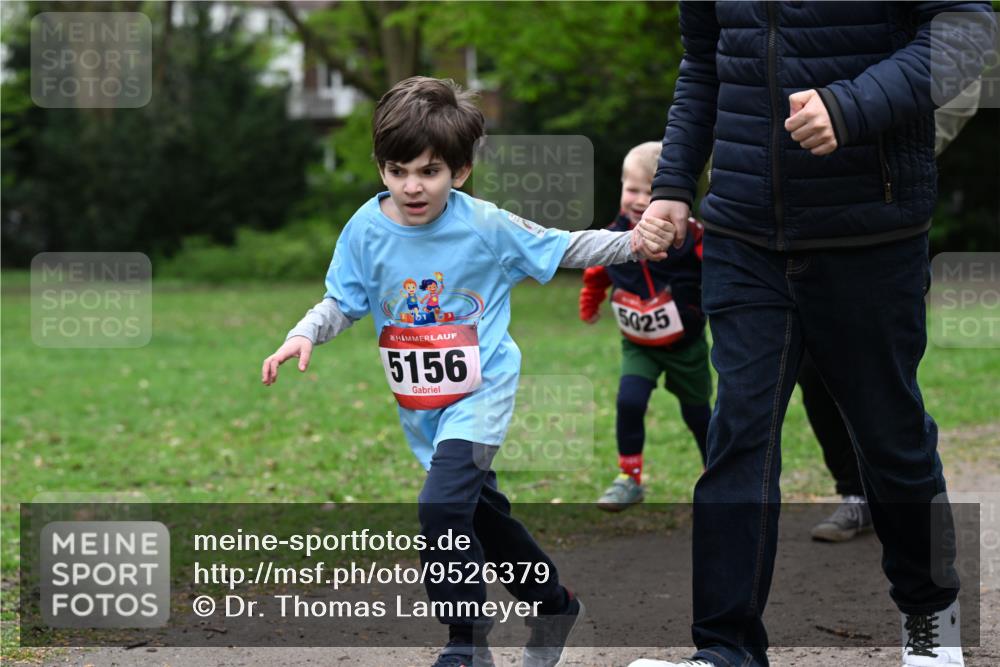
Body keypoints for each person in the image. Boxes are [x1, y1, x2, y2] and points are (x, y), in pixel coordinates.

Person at [625, 3, 995, 667]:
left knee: (890, 437)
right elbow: (705, 62)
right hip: (743, 232)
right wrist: (674, 181)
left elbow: (969, 32)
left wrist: (853, 105)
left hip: (869, 230)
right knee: (738, 435)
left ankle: (930, 612)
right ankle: (725, 647)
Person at [261, 76, 677, 667]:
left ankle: (466, 643)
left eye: (429, 171)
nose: (412, 185)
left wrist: (634, 243)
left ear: (458, 172)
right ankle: (554, 604)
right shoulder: (364, 229)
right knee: (482, 514)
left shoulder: (484, 225)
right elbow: (342, 300)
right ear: (381, 167)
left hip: (481, 395)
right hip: (422, 405)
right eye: (398, 170)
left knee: (439, 509)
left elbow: (563, 247)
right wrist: (302, 334)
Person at [806, 78, 984, 543]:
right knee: (812, 369)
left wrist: (896, 153)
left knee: (881, 380)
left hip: (879, 221)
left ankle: (916, 523)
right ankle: (855, 496)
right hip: (794, 219)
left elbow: (962, 76)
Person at [579, 141, 711, 511]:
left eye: (650, 191)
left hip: (686, 345)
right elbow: (596, 274)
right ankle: (629, 478)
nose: (639, 200)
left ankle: (714, 469)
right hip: (638, 344)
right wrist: (590, 305)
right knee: (629, 401)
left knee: (698, 412)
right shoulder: (613, 237)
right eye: (632, 189)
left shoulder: (693, 236)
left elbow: (718, 273)